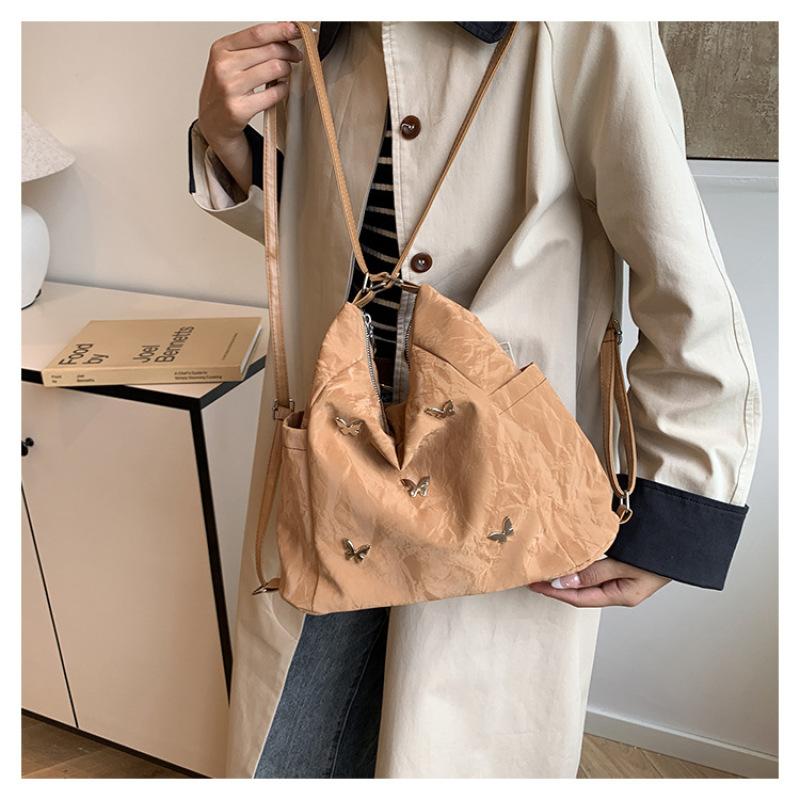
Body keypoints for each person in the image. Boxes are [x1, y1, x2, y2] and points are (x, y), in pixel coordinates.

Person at [187, 21, 761, 778]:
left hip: (501, 471)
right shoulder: (320, 32)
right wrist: (225, 136)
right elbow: (323, 226)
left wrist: (672, 508)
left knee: (449, 750)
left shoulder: (580, 25)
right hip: (330, 459)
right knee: (287, 752)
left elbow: (681, 273)